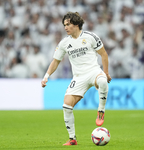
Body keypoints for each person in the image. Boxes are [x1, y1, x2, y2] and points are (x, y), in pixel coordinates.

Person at [41, 12, 112, 146]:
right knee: (66, 106)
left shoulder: (91, 37)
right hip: (79, 77)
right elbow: (55, 61)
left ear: (76, 24)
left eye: (68, 24)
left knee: (102, 81)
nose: (65, 27)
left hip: (94, 71)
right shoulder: (64, 43)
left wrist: (106, 73)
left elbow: (103, 54)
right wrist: (46, 76)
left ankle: (101, 110)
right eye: (64, 25)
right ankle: (72, 139)